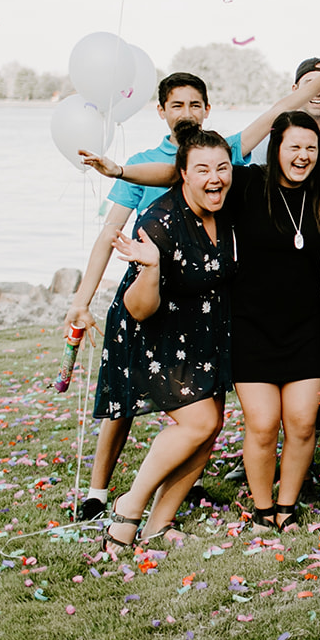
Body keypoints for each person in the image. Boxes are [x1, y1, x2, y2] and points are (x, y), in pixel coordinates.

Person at [65, 39, 320, 522]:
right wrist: (118, 170)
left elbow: (288, 115)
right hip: (200, 311)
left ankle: (247, 510)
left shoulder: (287, 181)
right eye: (293, 146)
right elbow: (175, 178)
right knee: (223, 422)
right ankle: (118, 496)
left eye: (310, 147)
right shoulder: (216, 182)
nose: (302, 154)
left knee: (258, 423)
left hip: (257, 322)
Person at [97, 128, 240, 556]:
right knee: (197, 423)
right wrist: (152, 267)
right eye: (202, 169)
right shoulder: (158, 220)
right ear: (182, 175)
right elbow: (139, 307)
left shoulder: (229, 208)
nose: (215, 178)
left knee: (210, 426)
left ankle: (161, 525)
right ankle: (129, 508)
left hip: (202, 330)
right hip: (151, 334)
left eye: (222, 167)